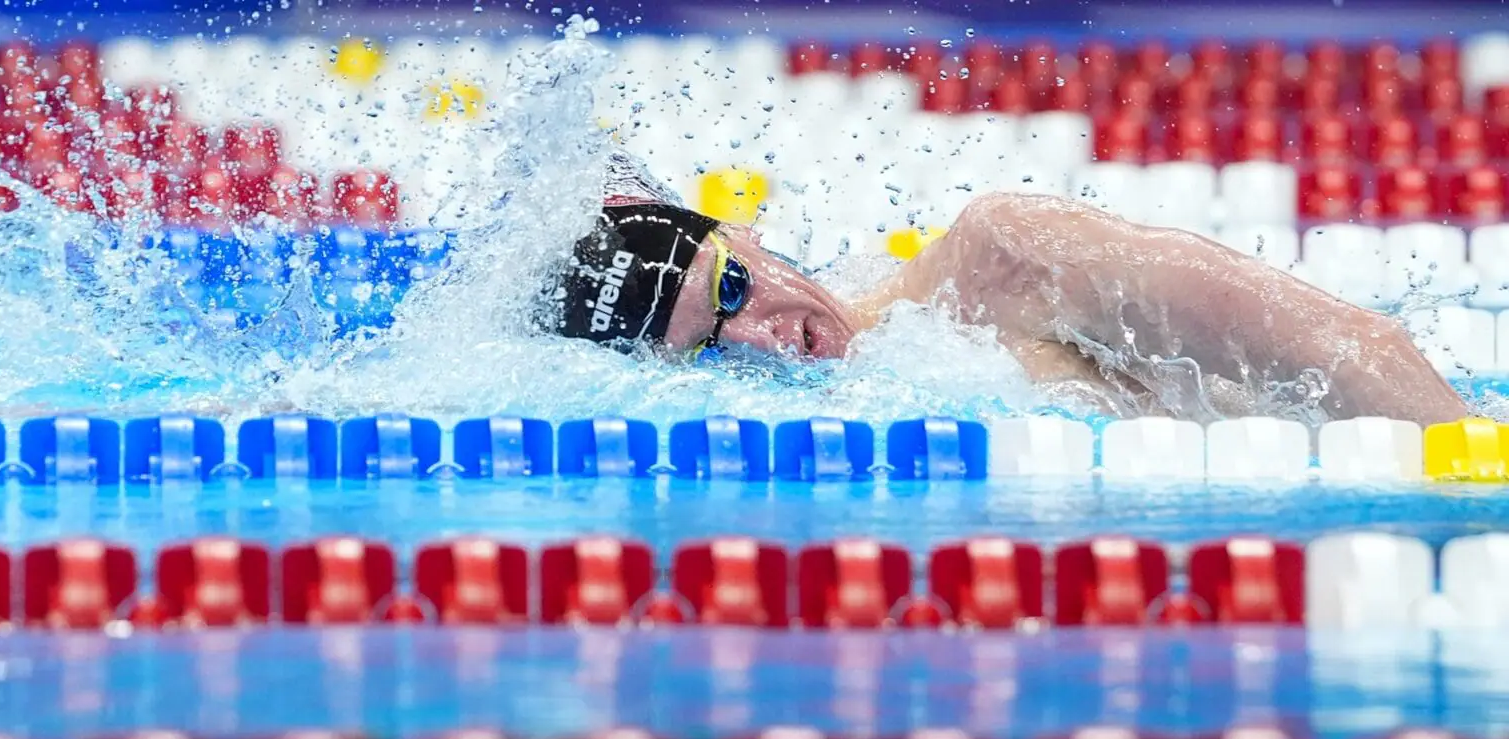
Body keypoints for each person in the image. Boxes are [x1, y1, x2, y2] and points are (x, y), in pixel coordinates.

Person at [550, 188, 1471, 426]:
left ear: (744, 235)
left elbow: (1350, 345)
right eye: (715, 349)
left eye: (736, 289)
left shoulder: (1004, 258)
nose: (765, 338)